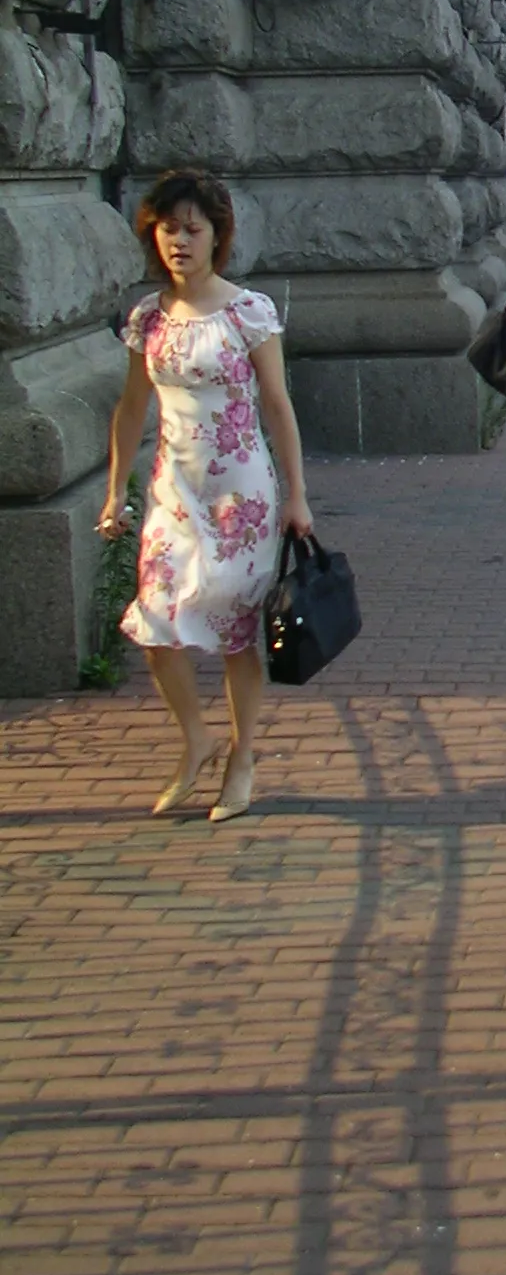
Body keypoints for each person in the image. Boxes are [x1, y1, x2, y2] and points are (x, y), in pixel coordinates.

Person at [99, 168, 312, 820]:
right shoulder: (148, 318)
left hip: (241, 495)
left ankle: (242, 758)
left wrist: (298, 496)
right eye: (168, 230)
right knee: (157, 623)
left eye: (192, 230)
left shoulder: (248, 312)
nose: (179, 242)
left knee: (235, 633)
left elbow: (277, 405)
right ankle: (197, 741)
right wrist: (114, 491)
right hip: (174, 494)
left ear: (217, 236)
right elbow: (130, 408)